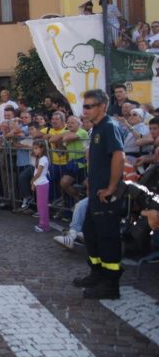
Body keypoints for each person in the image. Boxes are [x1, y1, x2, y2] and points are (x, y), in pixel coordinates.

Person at [73, 89, 125, 299]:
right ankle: (97, 274)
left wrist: (112, 187)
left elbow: (119, 157)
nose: (84, 110)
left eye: (88, 106)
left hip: (106, 194)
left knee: (107, 238)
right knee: (91, 233)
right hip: (96, 192)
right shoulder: (97, 128)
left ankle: (111, 284)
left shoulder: (109, 126)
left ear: (102, 106)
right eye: (83, 106)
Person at [30, 140, 50, 233]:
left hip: (42, 183)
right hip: (39, 183)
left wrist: (32, 181)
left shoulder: (43, 159)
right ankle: (42, 224)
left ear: (42, 149)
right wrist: (34, 183)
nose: (35, 150)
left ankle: (44, 225)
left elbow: (38, 173)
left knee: (42, 206)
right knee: (40, 205)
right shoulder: (40, 158)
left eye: (36, 148)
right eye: (34, 148)